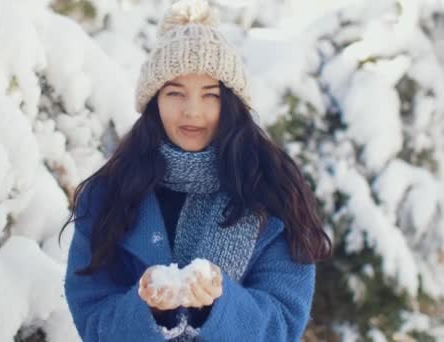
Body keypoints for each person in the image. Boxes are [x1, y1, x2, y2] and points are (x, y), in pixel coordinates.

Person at [60, 0, 332, 340]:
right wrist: (149, 310)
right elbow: (92, 316)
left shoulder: (271, 190)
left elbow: (283, 323)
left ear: (232, 102)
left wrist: (216, 305)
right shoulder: (110, 192)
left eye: (210, 95)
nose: (193, 111)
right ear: (153, 100)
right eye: (175, 93)